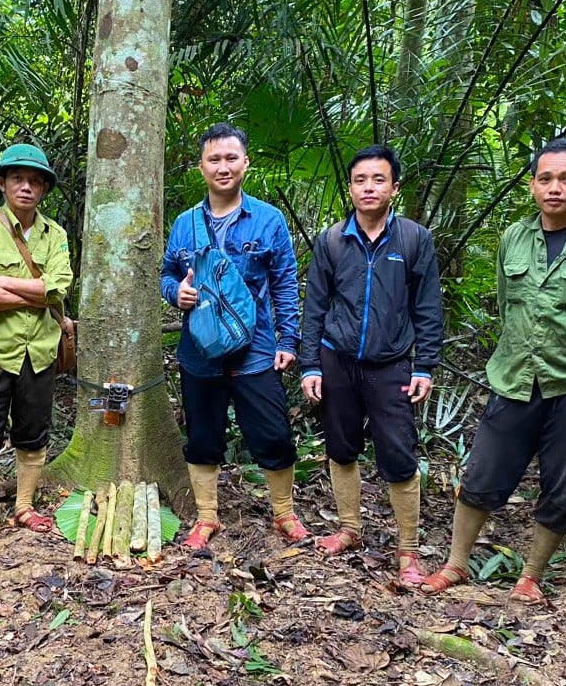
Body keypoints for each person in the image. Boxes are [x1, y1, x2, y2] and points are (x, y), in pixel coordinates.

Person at [421, 137, 566, 603]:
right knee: (481, 476)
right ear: (533, 185)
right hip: (514, 378)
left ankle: (531, 575)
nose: (554, 188)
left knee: (564, 487)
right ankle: (456, 564)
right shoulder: (513, 238)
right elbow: (506, 304)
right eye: (545, 178)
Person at [299, 144, 443, 586]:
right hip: (337, 359)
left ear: (394, 188)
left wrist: (425, 366)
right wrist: (310, 365)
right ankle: (349, 529)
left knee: (399, 456)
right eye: (360, 180)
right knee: (341, 448)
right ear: (350, 188)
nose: (368, 188)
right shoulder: (332, 240)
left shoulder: (414, 239)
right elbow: (315, 306)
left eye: (378, 180)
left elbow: (428, 307)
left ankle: (409, 551)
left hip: (391, 365)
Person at [160, 123, 307, 549]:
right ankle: (207, 518)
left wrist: (287, 341)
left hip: (255, 350)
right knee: (203, 437)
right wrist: (177, 292)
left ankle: (284, 512)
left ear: (245, 162)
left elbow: (284, 282)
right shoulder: (186, 223)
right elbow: (167, 272)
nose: (222, 167)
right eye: (214, 159)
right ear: (201, 166)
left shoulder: (268, 220)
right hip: (200, 349)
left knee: (272, 435)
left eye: (230, 158)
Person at [0, 143, 73, 550]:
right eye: (18, 179)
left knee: (33, 434)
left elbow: (59, 285)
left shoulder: (54, 234)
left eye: (35, 181)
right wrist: (36, 294)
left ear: (43, 189)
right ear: (2, 183)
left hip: (39, 350)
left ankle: (24, 506)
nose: (26, 187)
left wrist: (3, 283)